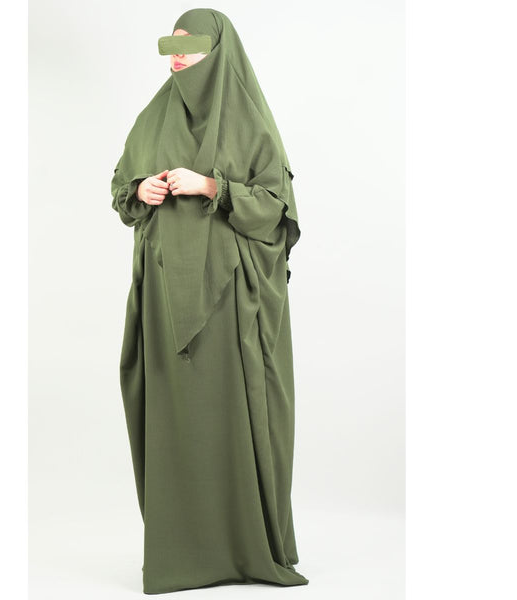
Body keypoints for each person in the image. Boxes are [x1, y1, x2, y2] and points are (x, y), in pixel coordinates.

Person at [110, 8, 308, 595]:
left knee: (233, 415)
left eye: (190, 46)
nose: (177, 55)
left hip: (231, 302)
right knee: (175, 419)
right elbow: (122, 190)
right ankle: (183, 554)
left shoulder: (250, 121)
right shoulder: (153, 117)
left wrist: (212, 186)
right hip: (166, 294)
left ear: (218, 51)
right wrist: (141, 190)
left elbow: (276, 209)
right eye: (171, 45)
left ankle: (246, 548)